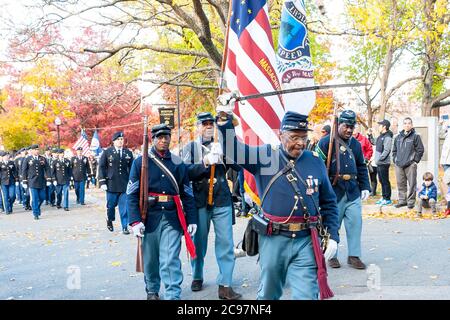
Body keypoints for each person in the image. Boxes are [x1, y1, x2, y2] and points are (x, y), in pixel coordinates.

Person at [216, 106, 339, 300]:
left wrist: (333, 235)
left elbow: (329, 202)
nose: (300, 143)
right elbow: (234, 151)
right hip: (273, 239)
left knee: (308, 294)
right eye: (294, 137)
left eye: (303, 137)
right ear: (281, 135)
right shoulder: (265, 156)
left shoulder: (315, 161)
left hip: (306, 239)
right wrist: (224, 121)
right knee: (268, 294)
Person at [127, 123, 198, 300]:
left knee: (170, 260)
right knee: (151, 260)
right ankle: (152, 290)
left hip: (172, 217)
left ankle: (173, 295)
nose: (164, 140)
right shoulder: (140, 163)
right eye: (160, 137)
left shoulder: (178, 163)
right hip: (149, 217)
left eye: (166, 137)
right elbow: (131, 194)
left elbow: (187, 193)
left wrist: (192, 219)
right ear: (153, 139)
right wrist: (135, 221)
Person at [183, 112, 242, 300]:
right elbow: (185, 172)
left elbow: (239, 167)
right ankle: (197, 275)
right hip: (200, 199)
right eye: (205, 123)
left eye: (211, 123)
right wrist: (205, 162)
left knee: (225, 242)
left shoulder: (223, 145)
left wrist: (226, 152)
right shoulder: (191, 147)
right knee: (199, 242)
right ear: (198, 127)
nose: (209, 126)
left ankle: (225, 284)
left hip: (222, 199)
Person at [317, 110, 371, 270]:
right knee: (332, 225)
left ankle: (354, 256)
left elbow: (361, 166)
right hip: (333, 191)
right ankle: (331, 255)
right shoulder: (325, 143)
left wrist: (366, 186)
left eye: (352, 127)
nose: (349, 130)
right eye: (346, 126)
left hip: (352, 190)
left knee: (355, 223)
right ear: (338, 124)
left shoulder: (355, 144)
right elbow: (318, 167)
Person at [98, 131, 133, 234]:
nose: (121, 141)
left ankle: (124, 226)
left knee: (124, 207)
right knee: (111, 206)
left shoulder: (128, 153)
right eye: (118, 139)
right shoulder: (107, 152)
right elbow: (101, 167)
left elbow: (132, 169)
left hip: (124, 184)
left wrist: (133, 182)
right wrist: (102, 182)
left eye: (122, 139)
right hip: (111, 184)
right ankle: (110, 219)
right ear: (114, 141)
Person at [392, 117, 425, 209]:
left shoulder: (415, 136)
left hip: (410, 164)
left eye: (409, 123)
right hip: (399, 164)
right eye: (405, 123)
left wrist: (415, 161)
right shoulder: (398, 137)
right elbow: (394, 150)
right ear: (403, 125)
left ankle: (411, 201)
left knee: (412, 183)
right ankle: (402, 200)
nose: (407, 125)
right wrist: (395, 159)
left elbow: (420, 150)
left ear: (412, 125)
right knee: (400, 183)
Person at [21, 145, 52, 220]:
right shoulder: (27, 159)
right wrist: (24, 181)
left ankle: (37, 208)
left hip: (41, 181)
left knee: (42, 197)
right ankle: (36, 213)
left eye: (38, 149)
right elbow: (24, 170)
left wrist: (49, 179)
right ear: (32, 150)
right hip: (32, 181)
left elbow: (47, 169)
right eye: (35, 149)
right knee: (34, 198)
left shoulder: (43, 158)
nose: (37, 151)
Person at [374, 119, 393, 205]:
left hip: (384, 163)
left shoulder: (387, 137)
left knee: (385, 181)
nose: (379, 127)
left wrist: (380, 159)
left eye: (380, 125)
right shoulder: (380, 136)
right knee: (381, 180)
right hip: (379, 163)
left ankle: (387, 198)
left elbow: (387, 150)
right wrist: (370, 136)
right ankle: (384, 196)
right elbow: (373, 143)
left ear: (384, 127)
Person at [353, 126, 375, 195]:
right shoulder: (347, 139)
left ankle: (365, 190)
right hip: (351, 163)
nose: (353, 130)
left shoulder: (364, 139)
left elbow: (370, 149)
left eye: (355, 128)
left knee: (362, 177)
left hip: (361, 163)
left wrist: (366, 158)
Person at [439, 118, 450, 215]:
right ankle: (447, 204)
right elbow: (445, 151)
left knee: (444, 182)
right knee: (446, 183)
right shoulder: (447, 135)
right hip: (446, 162)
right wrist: (441, 162)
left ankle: (447, 204)